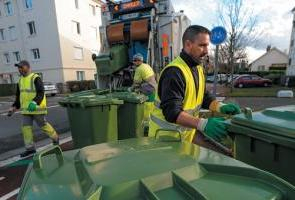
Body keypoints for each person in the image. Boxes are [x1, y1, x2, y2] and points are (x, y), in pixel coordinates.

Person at [149, 25, 241, 145]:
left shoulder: (197, 68)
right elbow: (172, 112)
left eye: (207, 46)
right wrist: (203, 124)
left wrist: (220, 106)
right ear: (188, 44)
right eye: (202, 45)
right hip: (165, 140)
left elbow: (202, 95)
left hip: (184, 137)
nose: (206, 51)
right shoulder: (174, 72)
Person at [9, 60, 59, 157]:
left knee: (43, 125)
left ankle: (55, 138)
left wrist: (34, 102)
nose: (20, 69)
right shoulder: (20, 81)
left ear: (28, 67)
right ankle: (30, 149)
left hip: (37, 108)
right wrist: (14, 107)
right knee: (26, 128)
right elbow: (19, 96)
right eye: (19, 68)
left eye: (21, 67)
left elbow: (41, 92)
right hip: (26, 110)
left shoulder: (35, 78)